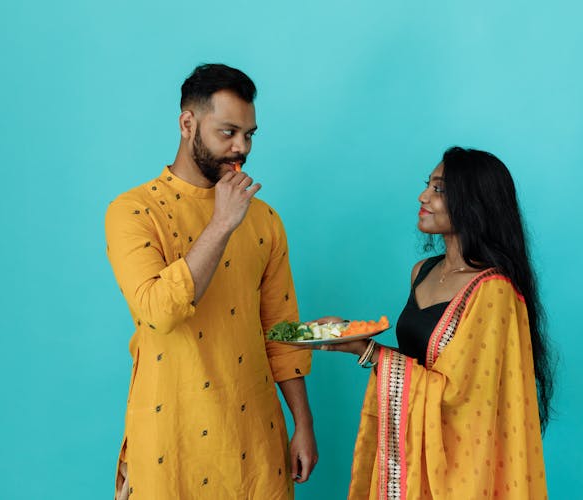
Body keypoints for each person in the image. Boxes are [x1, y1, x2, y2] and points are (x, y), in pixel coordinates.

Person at [105, 63, 318, 499]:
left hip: (255, 441)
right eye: (228, 132)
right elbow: (159, 312)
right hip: (171, 441)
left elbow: (281, 329)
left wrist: (303, 424)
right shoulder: (133, 211)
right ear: (188, 123)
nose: (242, 147)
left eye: (250, 134)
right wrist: (221, 224)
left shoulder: (264, 219)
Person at [321, 147, 553, 499]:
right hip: (410, 451)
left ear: (474, 203)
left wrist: (368, 352)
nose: (423, 196)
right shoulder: (422, 272)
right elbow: (423, 365)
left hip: (458, 467)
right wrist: (353, 333)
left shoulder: (494, 292)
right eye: (428, 185)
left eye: (439, 189)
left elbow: (464, 397)